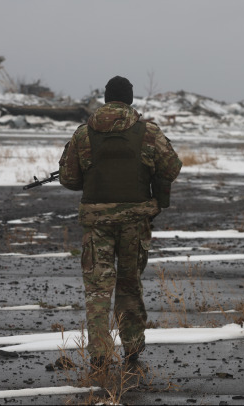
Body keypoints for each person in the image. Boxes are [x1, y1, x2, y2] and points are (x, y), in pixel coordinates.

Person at [59, 75, 182, 367]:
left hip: (97, 222)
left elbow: (69, 178)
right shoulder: (148, 131)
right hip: (135, 221)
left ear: (105, 98)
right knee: (129, 284)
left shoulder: (83, 134)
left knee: (98, 289)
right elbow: (172, 167)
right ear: (129, 99)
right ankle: (133, 347)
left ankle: (99, 353)